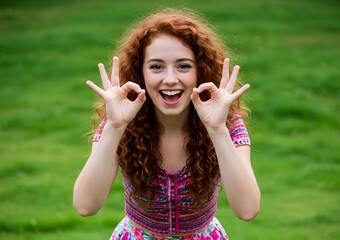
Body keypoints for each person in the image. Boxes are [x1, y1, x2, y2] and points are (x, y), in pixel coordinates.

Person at [73, 7, 260, 239]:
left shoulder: (227, 124)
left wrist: (217, 130)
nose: (170, 79)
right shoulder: (120, 121)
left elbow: (248, 209)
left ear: (200, 72)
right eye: (156, 66)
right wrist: (114, 127)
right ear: (140, 73)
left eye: (183, 66)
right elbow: (85, 205)